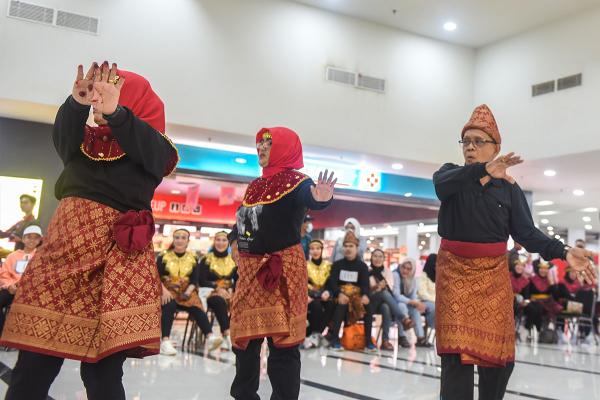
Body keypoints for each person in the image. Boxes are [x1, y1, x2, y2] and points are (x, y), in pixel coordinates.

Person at [0, 62, 178, 400]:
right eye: (98, 94)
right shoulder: (82, 142)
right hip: (61, 261)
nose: (100, 100)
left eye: (110, 93)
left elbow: (150, 150)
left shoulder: (154, 148)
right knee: (32, 367)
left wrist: (117, 114)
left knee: (102, 373)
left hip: (110, 267)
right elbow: (62, 138)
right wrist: (77, 103)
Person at [433, 104, 596, 400]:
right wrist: (482, 171)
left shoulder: (508, 189)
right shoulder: (451, 176)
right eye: (466, 141)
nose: (470, 147)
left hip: (493, 278)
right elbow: (441, 185)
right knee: (456, 358)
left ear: (496, 148)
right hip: (454, 276)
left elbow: (526, 234)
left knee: (499, 360)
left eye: (478, 141)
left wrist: (564, 250)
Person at [229, 127, 335, 400]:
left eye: (268, 143)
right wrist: (234, 243)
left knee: (283, 346)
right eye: (260, 144)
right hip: (251, 273)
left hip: (282, 272)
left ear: (284, 148)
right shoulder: (254, 186)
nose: (261, 148)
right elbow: (243, 222)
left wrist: (321, 198)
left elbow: (310, 198)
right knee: (246, 342)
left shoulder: (297, 182)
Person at [158, 229, 222, 356]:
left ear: (187, 241)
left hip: (187, 291)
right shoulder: (163, 256)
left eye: (183, 238)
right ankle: (165, 341)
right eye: (177, 237)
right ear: (173, 239)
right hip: (167, 290)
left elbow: (194, 280)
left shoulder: (193, 258)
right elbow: (156, 276)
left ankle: (210, 337)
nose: (180, 240)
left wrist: (187, 293)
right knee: (169, 305)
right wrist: (163, 291)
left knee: (196, 307)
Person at [326, 231, 376, 352]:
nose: (348, 249)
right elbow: (332, 282)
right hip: (340, 295)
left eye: (351, 246)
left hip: (356, 297)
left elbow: (365, 284)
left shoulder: (362, 266)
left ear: (356, 248)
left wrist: (364, 295)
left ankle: (368, 341)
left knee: (368, 306)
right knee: (342, 304)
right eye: (346, 246)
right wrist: (339, 293)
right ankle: (334, 341)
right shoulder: (337, 265)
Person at [198, 230, 238, 351]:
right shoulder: (206, 259)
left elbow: (237, 279)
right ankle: (226, 335)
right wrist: (217, 288)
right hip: (210, 293)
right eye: (218, 240)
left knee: (237, 302)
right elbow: (201, 280)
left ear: (228, 242)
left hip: (228, 293)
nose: (221, 243)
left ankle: (234, 334)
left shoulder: (233, 260)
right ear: (214, 241)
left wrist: (234, 291)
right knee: (219, 301)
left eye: (224, 240)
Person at [0, 224, 43, 335]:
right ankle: (2, 335)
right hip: (12, 289)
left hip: (31, 292)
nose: (32, 240)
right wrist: (9, 286)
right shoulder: (12, 256)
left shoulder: (41, 257)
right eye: (29, 237)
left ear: (40, 240)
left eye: (35, 237)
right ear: (23, 239)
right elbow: (4, 274)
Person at [368, 248, 413, 350]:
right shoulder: (367, 272)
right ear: (371, 257)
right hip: (371, 302)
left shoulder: (387, 272)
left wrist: (381, 287)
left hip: (384, 302)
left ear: (383, 259)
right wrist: (376, 287)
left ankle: (385, 341)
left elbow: (390, 288)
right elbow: (366, 291)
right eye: (375, 256)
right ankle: (403, 318)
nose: (377, 259)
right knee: (383, 292)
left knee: (386, 307)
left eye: (380, 256)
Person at [392, 258, 434, 347]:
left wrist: (417, 304)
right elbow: (396, 295)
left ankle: (420, 338)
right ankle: (402, 336)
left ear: (412, 270)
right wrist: (412, 302)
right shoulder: (396, 275)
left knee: (415, 310)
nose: (405, 270)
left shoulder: (413, 279)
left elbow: (413, 296)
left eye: (408, 269)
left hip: (407, 303)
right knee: (401, 306)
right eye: (404, 267)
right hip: (394, 304)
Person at [304, 239, 334, 349]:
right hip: (310, 296)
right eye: (312, 249)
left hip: (324, 295)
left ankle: (316, 335)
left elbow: (331, 283)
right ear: (309, 251)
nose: (315, 251)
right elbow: (303, 283)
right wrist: (309, 295)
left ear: (322, 250)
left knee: (331, 305)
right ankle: (314, 335)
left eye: (318, 248)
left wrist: (327, 292)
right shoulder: (305, 265)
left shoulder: (328, 265)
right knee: (316, 306)